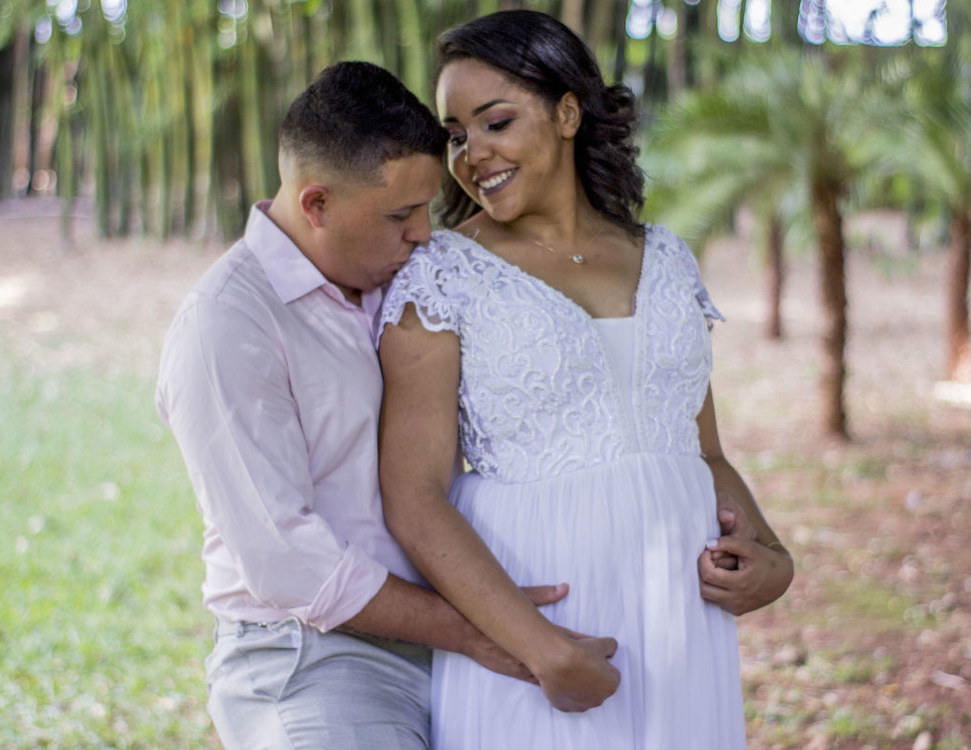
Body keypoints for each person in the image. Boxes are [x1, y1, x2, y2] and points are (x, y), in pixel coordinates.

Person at [376, 11, 794, 749]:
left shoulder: (666, 258)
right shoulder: (441, 276)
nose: (473, 154)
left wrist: (774, 560)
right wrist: (540, 647)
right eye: (456, 135)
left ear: (568, 113)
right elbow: (413, 496)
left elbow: (703, 452)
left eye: (496, 122)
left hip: (679, 626)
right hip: (541, 628)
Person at [156, 61, 577, 750]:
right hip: (315, 656)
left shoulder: (408, 283)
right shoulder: (226, 326)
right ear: (316, 204)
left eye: (427, 209)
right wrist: (482, 630)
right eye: (401, 215)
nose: (423, 234)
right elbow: (287, 561)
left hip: (455, 638)